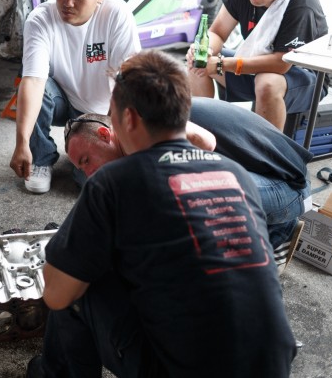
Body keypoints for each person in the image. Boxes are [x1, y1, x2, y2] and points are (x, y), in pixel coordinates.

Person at [29, 50, 296, 378]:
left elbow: (57, 293)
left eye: (112, 113)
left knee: (80, 280)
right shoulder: (235, 175)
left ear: (130, 119)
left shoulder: (113, 182)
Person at [64, 96, 313, 271]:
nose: (89, 173)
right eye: (81, 168)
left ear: (105, 135)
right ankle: (270, 231)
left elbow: (205, 141)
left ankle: (279, 232)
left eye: (86, 160)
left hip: (288, 186)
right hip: (256, 175)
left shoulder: (139, 127)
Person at [10, 0, 141, 194]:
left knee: (95, 185)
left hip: (106, 115)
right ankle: (40, 157)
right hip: (64, 101)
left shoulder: (118, 15)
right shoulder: (40, 18)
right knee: (40, 86)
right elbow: (34, 82)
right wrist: (22, 142)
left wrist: (120, 141)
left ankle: (82, 156)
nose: (67, 2)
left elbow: (129, 83)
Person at [187, 0, 328, 130]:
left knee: (267, 82)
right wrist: (203, 50)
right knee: (198, 62)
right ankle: (204, 136)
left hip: (305, 78)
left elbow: (281, 63)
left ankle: (267, 154)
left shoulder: (300, 2)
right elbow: (218, 32)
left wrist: (221, 64)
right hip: (253, 64)